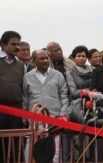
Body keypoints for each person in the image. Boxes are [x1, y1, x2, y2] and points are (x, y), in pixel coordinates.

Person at [22, 49, 69, 162]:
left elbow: (64, 96)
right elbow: (25, 99)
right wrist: (24, 119)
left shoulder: (58, 75)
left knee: (55, 151)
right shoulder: (27, 77)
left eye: (46, 58)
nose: (45, 60)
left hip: (54, 118)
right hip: (34, 119)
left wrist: (63, 114)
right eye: (41, 58)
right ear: (33, 61)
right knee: (31, 150)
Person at [0, 31, 24, 163]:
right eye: (13, 44)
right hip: (1, 110)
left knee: (15, 146)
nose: (17, 47)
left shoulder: (21, 65)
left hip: (16, 110)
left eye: (18, 44)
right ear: (3, 45)